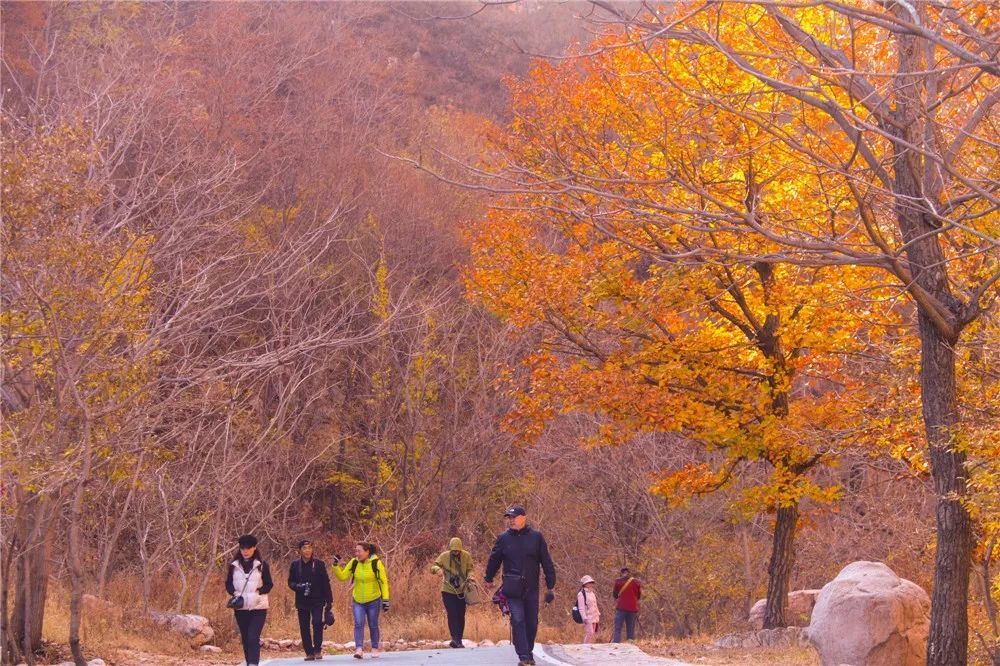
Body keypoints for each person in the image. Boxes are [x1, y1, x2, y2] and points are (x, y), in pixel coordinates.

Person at [484, 505, 556, 666]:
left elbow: (546, 560)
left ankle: (528, 651)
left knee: (532, 622)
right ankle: (523, 656)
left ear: (524, 517)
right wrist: (488, 577)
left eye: (513, 517)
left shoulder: (536, 537)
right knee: (517, 620)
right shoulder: (503, 538)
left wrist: (550, 582)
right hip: (512, 588)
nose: (511, 520)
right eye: (509, 518)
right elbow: (494, 559)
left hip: (532, 588)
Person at [332, 542, 390, 660]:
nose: (356, 553)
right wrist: (335, 565)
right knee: (358, 623)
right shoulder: (354, 562)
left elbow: (383, 582)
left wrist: (385, 600)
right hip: (358, 600)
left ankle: (375, 648)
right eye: (356, 551)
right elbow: (343, 577)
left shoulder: (376, 563)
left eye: (359, 551)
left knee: (373, 624)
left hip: (374, 599)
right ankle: (359, 649)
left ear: (367, 551)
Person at [225, 534, 273, 666]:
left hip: (258, 607)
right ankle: (249, 662)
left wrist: (258, 592)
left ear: (254, 548)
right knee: (246, 638)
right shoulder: (233, 566)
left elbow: (269, 584)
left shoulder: (262, 566)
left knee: (253, 636)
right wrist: (234, 592)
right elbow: (228, 583)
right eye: (242, 548)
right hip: (241, 607)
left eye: (248, 548)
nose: (245, 551)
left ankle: (253, 663)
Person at [288, 539, 334, 661]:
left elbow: (325, 582)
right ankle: (309, 652)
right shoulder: (295, 565)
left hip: (318, 600)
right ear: (299, 551)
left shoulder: (319, 564)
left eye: (309, 548)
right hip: (302, 600)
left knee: (317, 623)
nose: (307, 550)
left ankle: (317, 650)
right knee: (304, 627)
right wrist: (298, 586)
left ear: (312, 549)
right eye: (304, 548)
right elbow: (290, 582)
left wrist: (329, 600)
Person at [430, 537, 475, 648]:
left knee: (461, 615)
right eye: (453, 550)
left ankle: (459, 639)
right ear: (450, 549)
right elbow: (433, 566)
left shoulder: (466, 556)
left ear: (461, 549)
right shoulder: (444, 556)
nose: (455, 552)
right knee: (452, 614)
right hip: (448, 590)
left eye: (457, 550)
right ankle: (454, 638)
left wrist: (471, 576)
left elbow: (470, 569)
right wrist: (438, 570)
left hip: (462, 590)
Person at [611, 566, 641, 642]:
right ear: (629, 573)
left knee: (618, 627)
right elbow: (638, 596)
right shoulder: (636, 582)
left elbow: (615, 594)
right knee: (630, 628)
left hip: (621, 608)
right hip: (632, 608)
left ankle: (616, 644)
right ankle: (631, 645)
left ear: (621, 573)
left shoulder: (618, 581)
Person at [576, 575, 600, 644]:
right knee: (590, 632)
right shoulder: (581, 594)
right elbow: (581, 608)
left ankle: (589, 646)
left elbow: (595, 605)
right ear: (584, 584)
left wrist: (597, 614)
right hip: (587, 616)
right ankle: (585, 647)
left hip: (594, 615)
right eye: (589, 582)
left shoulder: (592, 593)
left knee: (593, 633)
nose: (590, 584)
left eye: (591, 582)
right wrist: (584, 618)